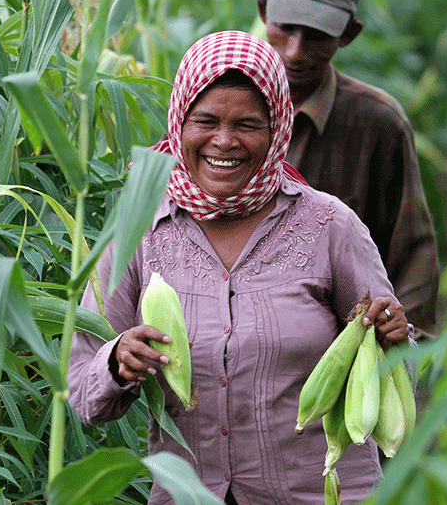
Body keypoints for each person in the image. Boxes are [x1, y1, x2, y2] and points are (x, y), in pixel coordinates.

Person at [67, 30, 415, 505]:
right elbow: (83, 394)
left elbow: (394, 374)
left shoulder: (330, 226)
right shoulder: (140, 230)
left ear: (277, 130)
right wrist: (117, 360)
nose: (224, 142)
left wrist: (394, 339)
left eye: (248, 125)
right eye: (205, 121)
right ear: (179, 124)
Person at [257, 0, 441, 337]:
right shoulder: (215, 106)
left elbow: (411, 250)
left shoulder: (375, 123)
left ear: (348, 34)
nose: (295, 51)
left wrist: (403, 347)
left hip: (340, 349)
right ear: (264, 13)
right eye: (285, 28)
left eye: (317, 35)